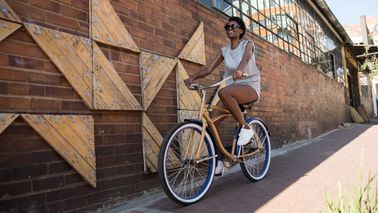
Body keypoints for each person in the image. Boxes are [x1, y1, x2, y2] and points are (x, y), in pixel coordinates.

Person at [184, 16, 261, 175]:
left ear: (240, 30)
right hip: (233, 92)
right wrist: (193, 78)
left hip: (250, 87)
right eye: (226, 26)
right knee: (212, 122)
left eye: (233, 26)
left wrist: (240, 70)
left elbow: (246, 58)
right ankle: (220, 160)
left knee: (223, 91)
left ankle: (246, 128)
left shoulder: (248, 44)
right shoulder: (224, 51)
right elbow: (209, 68)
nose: (229, 28)